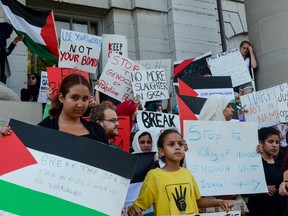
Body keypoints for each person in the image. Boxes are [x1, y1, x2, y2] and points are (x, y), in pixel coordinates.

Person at [128, 129, 231, 216]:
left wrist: (218, 202)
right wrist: (133, 209)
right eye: (171, 144)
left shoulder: (187, 173)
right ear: (161, 151)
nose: (177, 147)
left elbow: (197, 200)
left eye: (180, 144)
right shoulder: (154, 175)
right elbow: (140, 205)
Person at [38, 74, 108, 144]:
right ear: (61, 98)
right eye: (75, 98)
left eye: (85, 99)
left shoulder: (97, 131)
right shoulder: (43, 129)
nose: (80, 105)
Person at [247, 127, 285, 216]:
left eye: (277, 142)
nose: (275, 145)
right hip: (259, 211)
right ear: (261, 143)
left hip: (280, 211)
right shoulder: (254, 164)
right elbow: (244, 188)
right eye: (270, 142)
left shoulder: (281, 163)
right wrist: (261, 189)